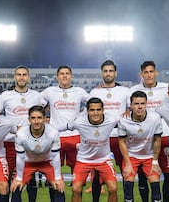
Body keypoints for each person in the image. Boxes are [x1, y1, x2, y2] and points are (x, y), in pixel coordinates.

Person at [0, 65, 46, 202]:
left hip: (30, 143)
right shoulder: (5, 96)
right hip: (10, 143)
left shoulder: (37, 96)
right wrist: (11, 127)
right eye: (19, 74)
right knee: (6, 180)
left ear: (28, 77)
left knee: (31, 180)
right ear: (15, 77)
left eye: (24, 74)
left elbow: (45, 113)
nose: (21, 77)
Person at [129, 60, 169, 202]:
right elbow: (128, 109)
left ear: (156, 73)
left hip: (164, 136)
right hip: (143, 138)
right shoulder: (133, 90)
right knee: (143, 176)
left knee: (168, 173)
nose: (149, 75)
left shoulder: (167, 88)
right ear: (141, 74)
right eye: (146, 72)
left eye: (151, 72)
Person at [89, 59, 130, 201]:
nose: (108, 74)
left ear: (116, 73)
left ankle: (127, 198)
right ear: (101, 73)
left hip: (120, 136)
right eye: (105, 71)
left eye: (111, 71)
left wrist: (128, 111)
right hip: (101, 137)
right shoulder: (95, 91)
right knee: (97, 173)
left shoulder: (125, 91)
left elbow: (133, 108)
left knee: (125, 171)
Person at [40, 65, 88, 182]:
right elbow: (36, 106)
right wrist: (44, 118)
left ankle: (77, 192)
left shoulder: (79, 91)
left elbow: (94, 104)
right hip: (56, 135)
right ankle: (57, 193)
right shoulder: (49, 91)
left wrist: (83, 118)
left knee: (77, 167)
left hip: (75, 135)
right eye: (62, 73)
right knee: (55, 168)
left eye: (67, 73)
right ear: (57, 77)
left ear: (71, 76)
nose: (65, 75)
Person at [67, 97, 119, 202]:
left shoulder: (112, 120)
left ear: (103, 110)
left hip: (103, 160)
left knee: (113, 188)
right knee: (76, 189)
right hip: (84, 160)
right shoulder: (79, 122)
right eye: (92, 110)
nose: (95, 113)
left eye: (98, 110)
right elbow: (65, 126)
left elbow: (126, 124)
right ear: (87, 111)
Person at [10, 106, 65, 202]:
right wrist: (18, 178)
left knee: (59, 187)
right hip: (28, 163)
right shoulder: (21, 134)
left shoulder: (53, 132)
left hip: (47, 162)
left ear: (44, 119)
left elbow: (55, 155)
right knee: (16, 188)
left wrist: (58, 178)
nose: (36, 121)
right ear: (29, 119)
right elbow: (20, 157)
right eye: (33, 118)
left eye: (39, 118)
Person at [118, 90, 162, 202]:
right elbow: (122, 142)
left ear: (146, 104)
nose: (140, 107)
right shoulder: (123, 120)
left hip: (149, 156)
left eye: (142, 103)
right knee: (128, 185)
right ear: (131, 106)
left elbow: (157, 140)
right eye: (136, 104)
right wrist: (127, 163)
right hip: (132, 156)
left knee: (155, 185)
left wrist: (155, 162)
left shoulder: (155, 118)